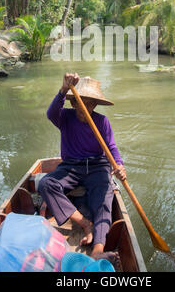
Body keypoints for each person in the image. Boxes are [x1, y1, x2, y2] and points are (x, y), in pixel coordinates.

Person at [38, 73, 126, 267]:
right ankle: (85, 223)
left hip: (97, 166)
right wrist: (63, 90)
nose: (86, 107)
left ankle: (98, 250)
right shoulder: (65, 117)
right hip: (71, 166)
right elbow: (50, 114)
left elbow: (111, 148)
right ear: (74, 104)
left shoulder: (102, 122)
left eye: (91, 103)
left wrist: (118, 165)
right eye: (82, 102)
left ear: (95, 105)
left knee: (105, 196)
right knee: (46, 183)